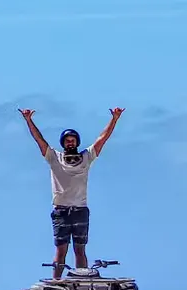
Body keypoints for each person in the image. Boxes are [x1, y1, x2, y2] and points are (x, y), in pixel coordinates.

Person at [18, 106, 122, 277]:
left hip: (80, 210)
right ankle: (56, 282)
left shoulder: (86, 157)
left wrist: (114, 119)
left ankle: (82, 281)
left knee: (80, 250)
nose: (70, 142)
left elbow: (102, 139)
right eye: (67, 140)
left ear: (77, 142)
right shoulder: (54, 157)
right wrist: (29, 120)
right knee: (61, 251)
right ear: (63, 143)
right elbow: (39, 140)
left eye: (73, 140)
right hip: (61, 211)